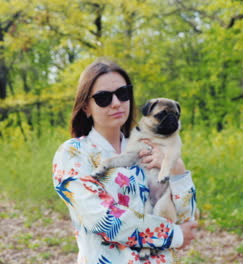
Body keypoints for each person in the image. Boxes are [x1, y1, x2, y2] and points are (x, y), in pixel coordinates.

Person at [52, 58, 198, 264]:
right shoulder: (73, 154)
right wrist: (174, 235)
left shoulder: (150, 147)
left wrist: (177, 170)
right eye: (103, 98)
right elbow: (106, 221)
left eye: (122, 93)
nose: (116, 103)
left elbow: (186, 219)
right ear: (86, 107)